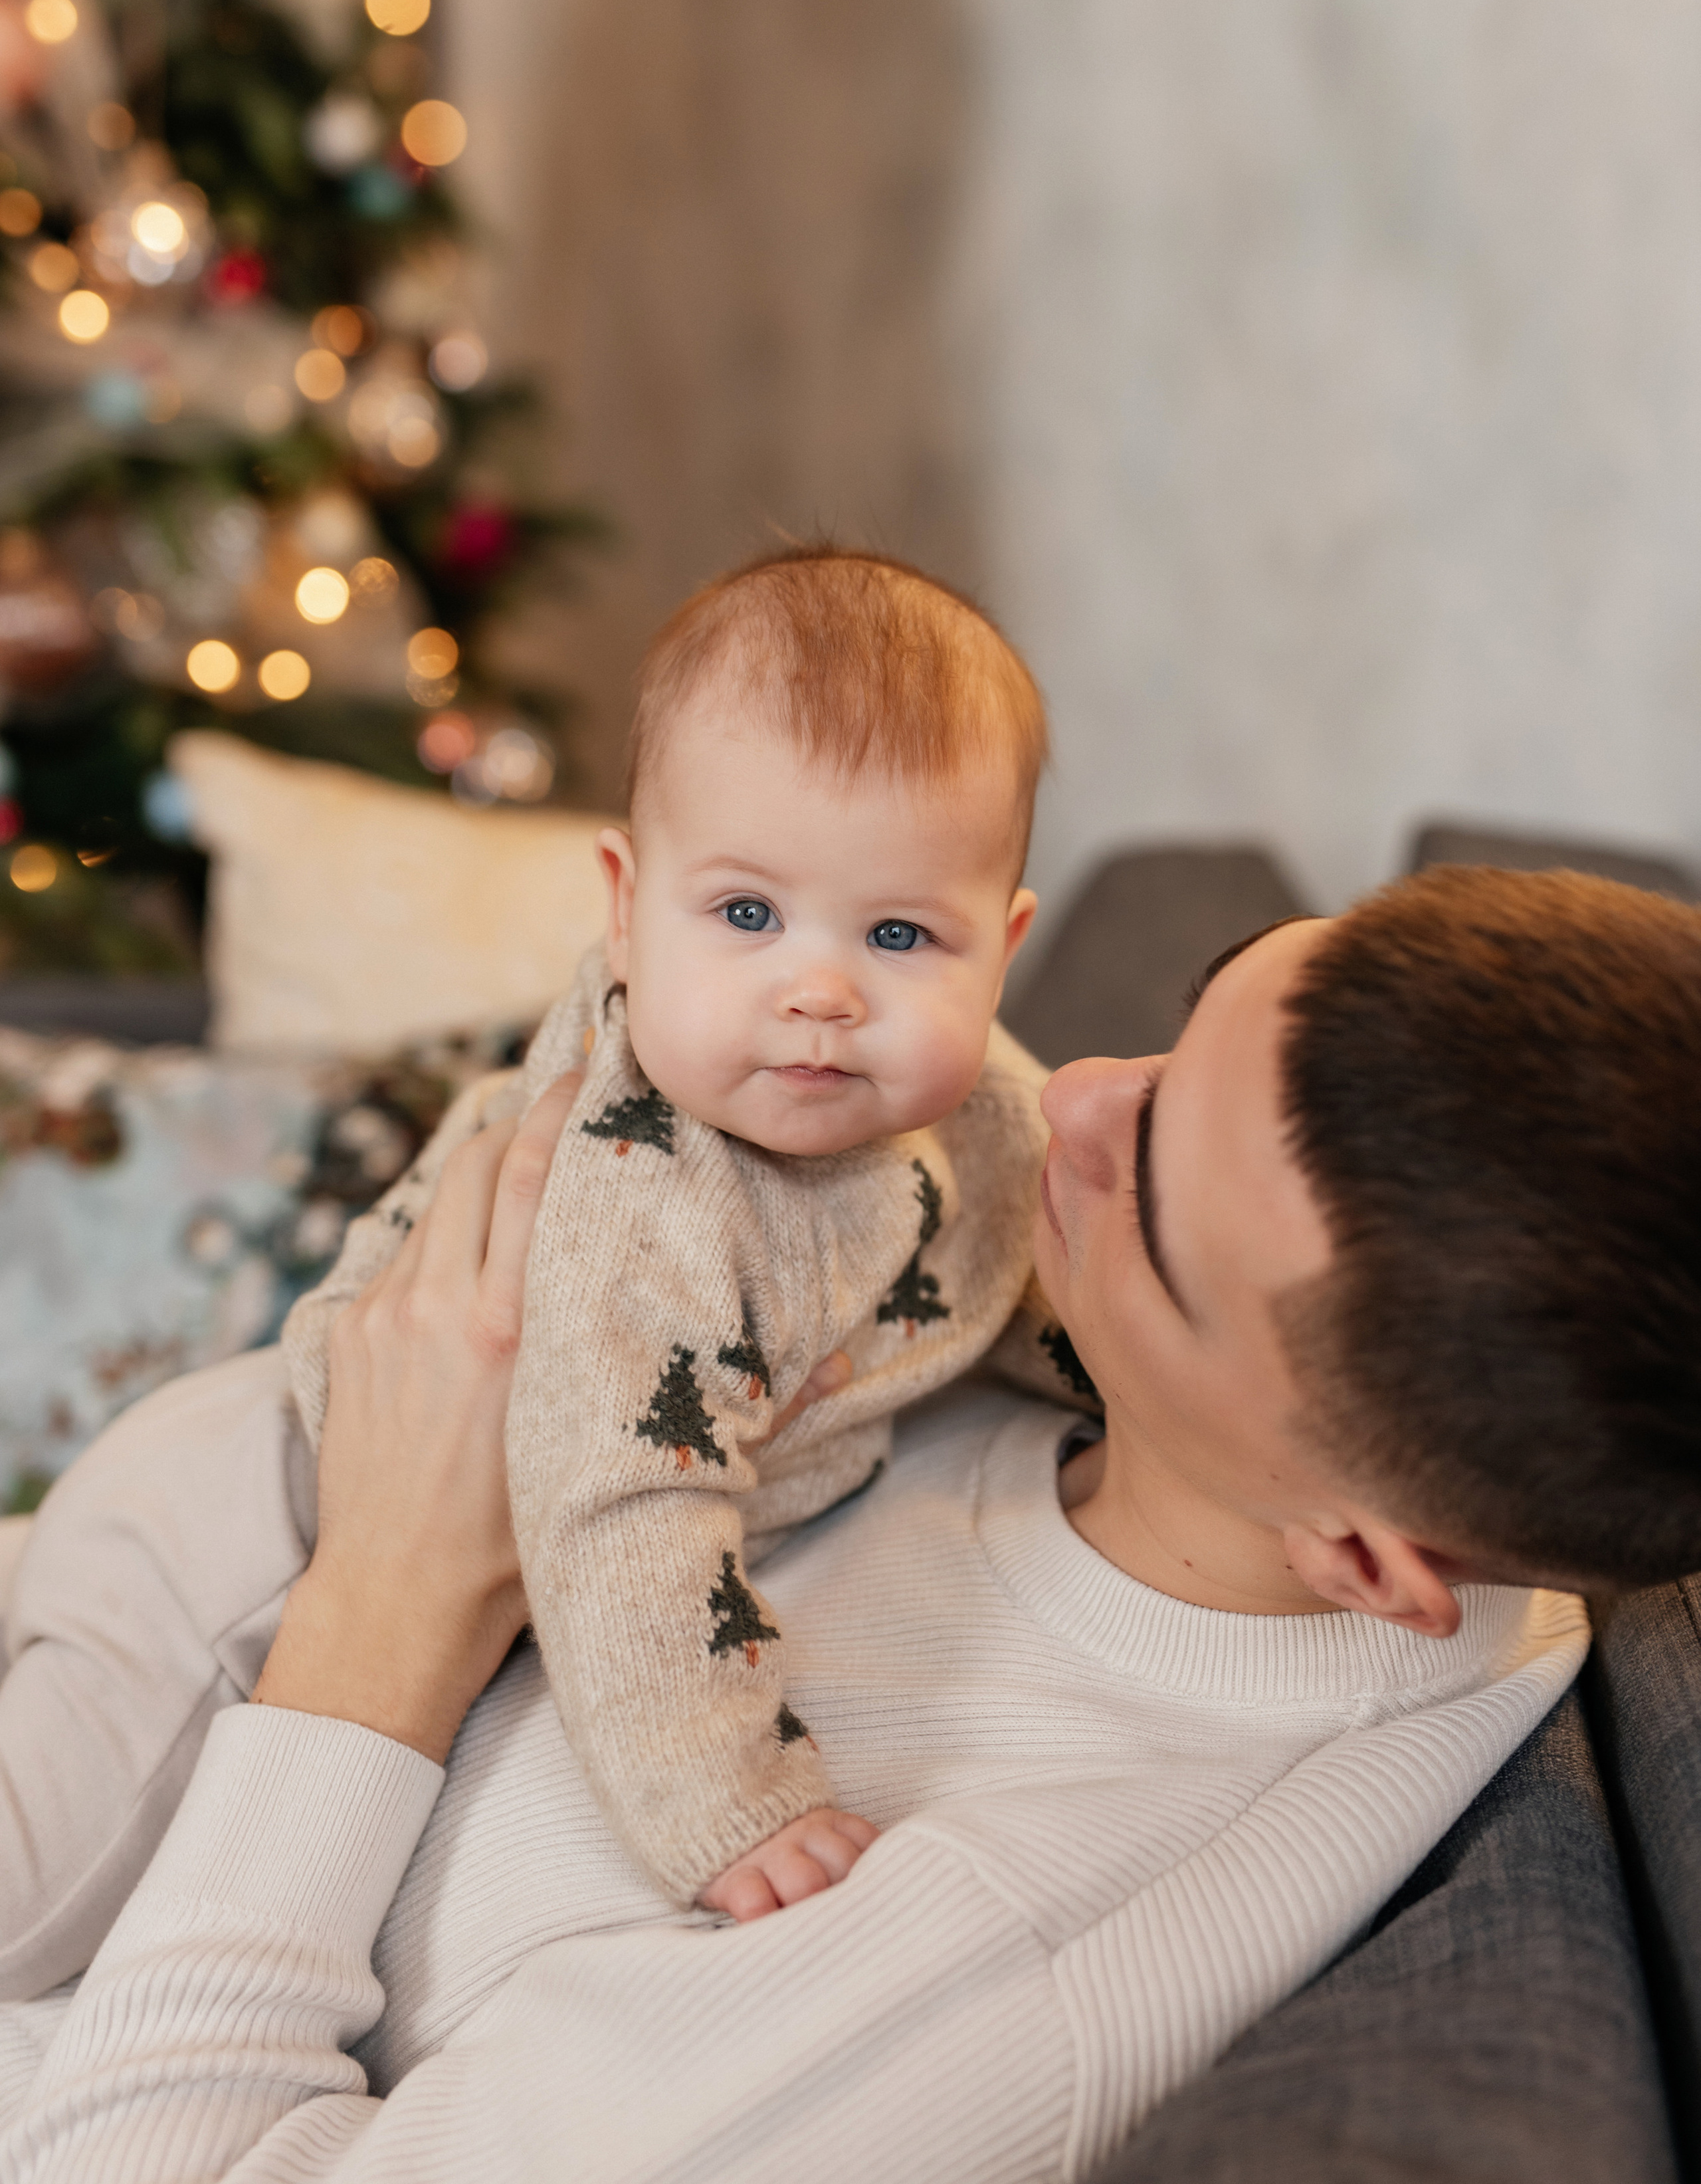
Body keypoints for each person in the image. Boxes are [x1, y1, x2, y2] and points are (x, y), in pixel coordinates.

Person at [8, 864, 1698, 2181]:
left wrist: (391, 1598)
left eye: (1154, 1186)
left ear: (1361, 1561)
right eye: (1188, 1022)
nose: (1081, 1090)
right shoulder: (1149, 1394)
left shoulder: (980, 1964)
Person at [0, 547, 1076, 1971]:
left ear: (997, 949)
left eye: (897, 933)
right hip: (243, 1555)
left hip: (241, 1462)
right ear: (624, 909)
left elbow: (1021, 1264)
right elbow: (617, 1503)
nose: (819, 992)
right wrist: (733, 1801)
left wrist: (1114, 1374)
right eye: (745, 916)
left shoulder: (977, 1101)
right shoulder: (655, 1202)